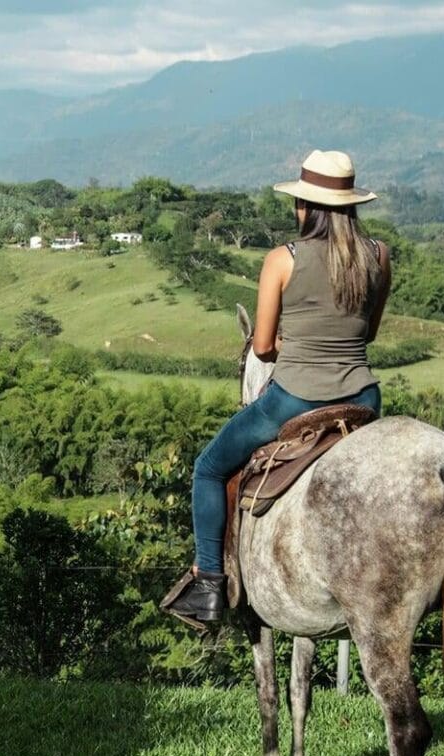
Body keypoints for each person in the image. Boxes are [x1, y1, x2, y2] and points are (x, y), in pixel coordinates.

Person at [162, 149, 392, 628]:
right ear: (351, 206)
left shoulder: (281, 260)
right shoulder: (379, 256)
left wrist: (295, 340)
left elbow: (263, 348)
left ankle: (207, 582)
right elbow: (366, 334)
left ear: (305, 207)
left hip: (296, 398)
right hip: (363, 399)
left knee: (207, 467)